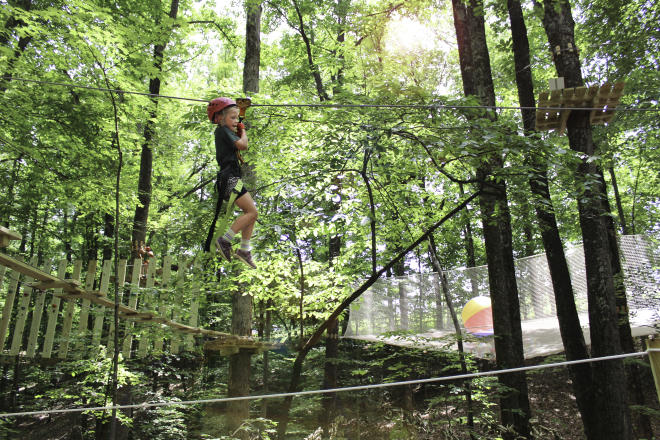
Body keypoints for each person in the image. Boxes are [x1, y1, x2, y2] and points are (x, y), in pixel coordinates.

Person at [207, 97, 258, 269]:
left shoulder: (225, 131)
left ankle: (244, 250)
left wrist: (240, 115)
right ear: (220, 118)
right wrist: (243, 130)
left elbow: (235, 125)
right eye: (233, 118)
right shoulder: (223, 131)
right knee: (252, 212)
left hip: (229, 178)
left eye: (237, 118)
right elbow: (243, 145)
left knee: (250, 213)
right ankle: (225, 240)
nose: (237, 122)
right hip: (229, 178)